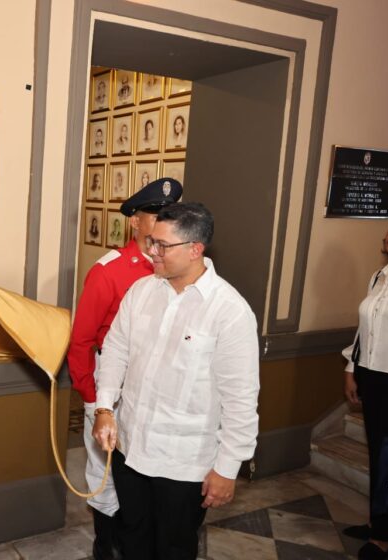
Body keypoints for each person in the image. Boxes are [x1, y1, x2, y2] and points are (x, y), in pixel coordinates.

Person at [92, 202, 260, 560]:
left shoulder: (229, 311)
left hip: (182, 463)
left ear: (195, 249)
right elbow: (115, 350)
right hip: (130, 448)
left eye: (162, 246)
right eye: (151, 241)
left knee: (173, 547)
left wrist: (227, 468)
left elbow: (240, 399)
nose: (151, 251)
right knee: (132, 536)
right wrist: (105, 407)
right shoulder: (141, 292)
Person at [68, 178, 183, 560]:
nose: (165, 221)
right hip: (110, 386)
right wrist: (90, 397)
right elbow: (82, 339)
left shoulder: (178, 268)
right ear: (135, 222)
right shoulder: (110, 271)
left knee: (144, 470)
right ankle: (107, 546)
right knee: (105, 479)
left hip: (155, 388)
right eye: (156, 215)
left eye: (170, 213)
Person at [342, 205, 388, 560]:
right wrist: (352, 366)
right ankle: (382, 519)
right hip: (373, 376)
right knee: (379, 453)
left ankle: (385, 534)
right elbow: (365, 328)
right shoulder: (381, 275)